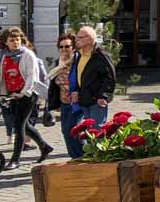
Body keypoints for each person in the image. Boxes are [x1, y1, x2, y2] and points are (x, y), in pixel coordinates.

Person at [0, 28, 53, 168]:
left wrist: (23, 93)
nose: (15, 42)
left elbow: (32, 76)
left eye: (17, 39)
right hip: (12, 94)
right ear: (6, 42)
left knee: (18, 125)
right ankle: (45, 147)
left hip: (28, 94)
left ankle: (15, 160)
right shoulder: (3, 56)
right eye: (12, 40)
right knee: (24, 125)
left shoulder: (27, 55)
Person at [67, 25, 116, 159]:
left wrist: (103, 96)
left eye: (80, 37)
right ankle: (92, 155)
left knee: (97, 129)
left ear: (89, 39)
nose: (76, 40)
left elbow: (110, 77)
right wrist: (76, 90)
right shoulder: (80, 55)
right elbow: (77, 74)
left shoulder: (101, 55)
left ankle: (100, 156)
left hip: (96, 100)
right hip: (84, 99)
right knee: (88, 131)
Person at [47, 33, 77, 155]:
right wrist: (55, 103)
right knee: (65, 131)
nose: (64, 49)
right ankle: (73, 156)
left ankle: (81, 155)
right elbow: (54, 84)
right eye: (61, 46)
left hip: (77, 103)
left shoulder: (77, 62)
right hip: (64, 103)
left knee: (74, 130)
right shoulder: (58, 64)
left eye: (67, 46)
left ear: (73, 47)